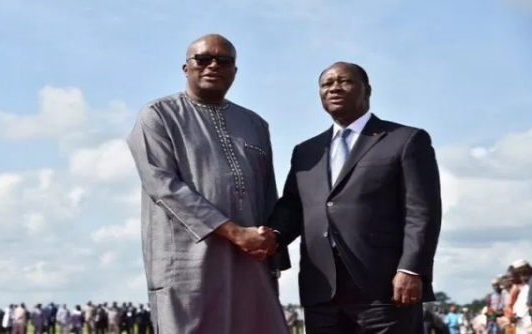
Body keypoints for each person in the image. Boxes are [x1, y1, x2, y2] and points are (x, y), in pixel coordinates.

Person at [126, 33, 289, 334]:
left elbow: (268, 192)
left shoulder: (255, 124)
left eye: (224, 61)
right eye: (203, 59)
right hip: (189, 262)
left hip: (251, 262)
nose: (213, 65)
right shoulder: (158, 116)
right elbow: (162, 185)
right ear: (186, 68)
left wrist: (272, 248)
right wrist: (234, 232)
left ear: (235, 71)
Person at [267, 61, 442, 333]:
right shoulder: (306, 151)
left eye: (344, 81)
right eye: (326, 84)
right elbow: (293, 205)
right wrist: (273, 234)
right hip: (322, 288)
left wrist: (411, 269)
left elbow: (422, 211)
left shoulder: (405, 140)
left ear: (367, 90)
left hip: (385, 289)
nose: (334, 87)